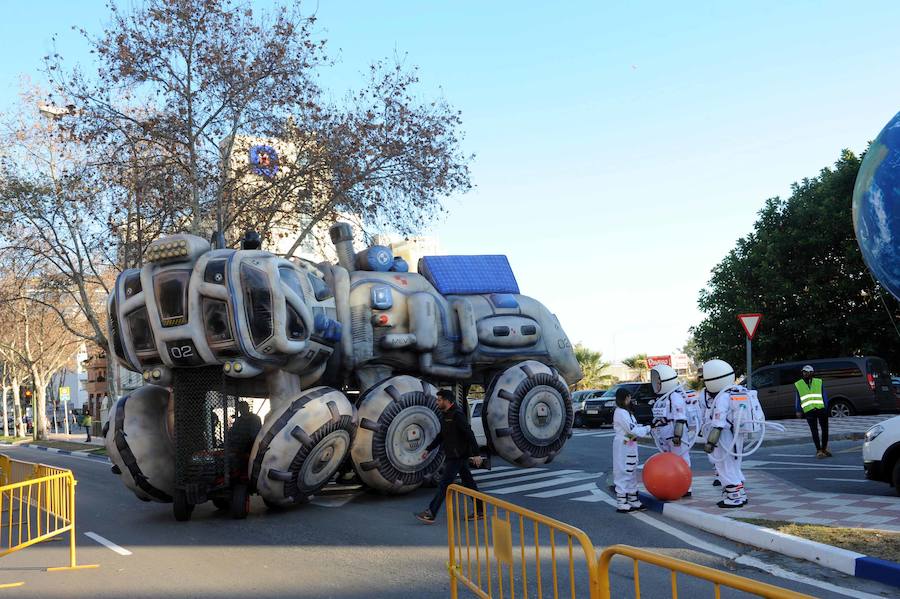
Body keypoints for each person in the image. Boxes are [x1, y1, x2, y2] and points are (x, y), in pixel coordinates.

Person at [415, 389, 483, 524]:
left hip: (457, 456)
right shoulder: (446, 414)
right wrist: (428, 449)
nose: (437, 402)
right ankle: (480, 511)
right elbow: (442, 435)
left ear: (446, 401)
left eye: (439, 400)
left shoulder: (457, 415)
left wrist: (476, 454)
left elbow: (469, 433)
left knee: (444, 484)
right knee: (469, 484)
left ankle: (431, 513)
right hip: (455, 455)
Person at [701, 359, 747, 508]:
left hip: (724, 437)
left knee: (724, 466)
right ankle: (740, 494)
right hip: (735, 435)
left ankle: (734, 498)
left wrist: (710, 443)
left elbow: (718, 425)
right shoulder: (732, 392)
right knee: (733, 466)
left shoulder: (721, 398)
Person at [648, 364, 697, 497]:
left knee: (681, 460)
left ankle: (686, 487)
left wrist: (677, 435)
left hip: (675, 435)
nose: (656, 384)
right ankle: (675, 484)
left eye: (659, 381)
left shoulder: (675, 397)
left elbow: (680, 418)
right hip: (665, 433)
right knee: (670, 462)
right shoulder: (662, 398)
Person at [612, 387, 651, 513]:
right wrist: (648, 428)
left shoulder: (626, 412)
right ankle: (621, 501)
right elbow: (632, 430)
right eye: (629, 397)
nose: (631, 399)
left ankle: (632, 498)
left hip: (628, 442)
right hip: (624, 443)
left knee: (631, 470)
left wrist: (645, 427)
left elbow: (633, 429)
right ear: (625, 398)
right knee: (623, 471)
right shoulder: (621, 412)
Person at [794, 365, 831, 458]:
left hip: (821, 408)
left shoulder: (818, 382)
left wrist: (826, 407)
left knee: (825, 430)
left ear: (812, 373)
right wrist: (798, 410)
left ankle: (824, 449)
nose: (805, 373)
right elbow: (798, 398)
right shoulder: (799, 384)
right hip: (809, 410)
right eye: (804, 372)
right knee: (814, 431)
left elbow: (824, 395)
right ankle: (818, 450)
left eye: (807, 372)